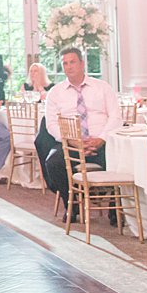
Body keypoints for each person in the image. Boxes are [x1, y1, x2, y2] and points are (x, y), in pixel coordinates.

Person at [41, 47, 123, 209]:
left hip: (102, 142)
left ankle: (115, 208)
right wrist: (72, 142)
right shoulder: (55, 92)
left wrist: (101, 139)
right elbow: (51, 124)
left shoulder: (102, 87)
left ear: (82, 64)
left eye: (72, 62)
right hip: (70, 143)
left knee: (121, 161)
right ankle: (72, 206)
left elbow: (116, 117)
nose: (69, 66)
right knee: (53, 162)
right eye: (65, 63)